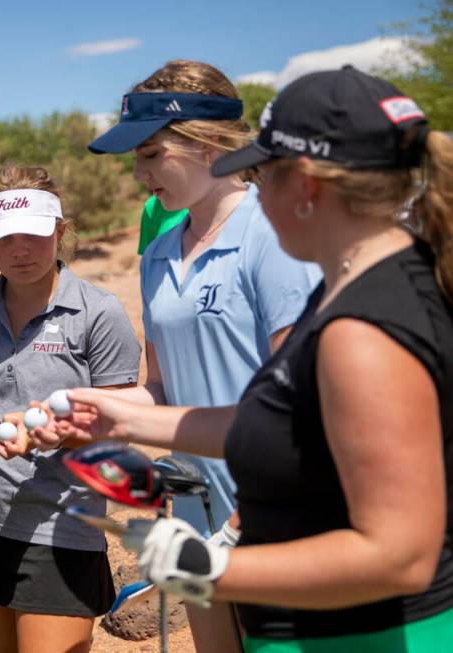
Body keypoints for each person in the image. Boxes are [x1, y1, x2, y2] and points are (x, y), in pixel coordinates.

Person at [50, 67, 453, 652]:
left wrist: (212, 567)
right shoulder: (365, 287)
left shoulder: (363, 328)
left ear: (306, 185)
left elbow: (401, 555)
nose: (253, 185)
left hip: (360, 630)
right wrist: (123, 420)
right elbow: (286, 424)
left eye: (261, 169)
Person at [82, 59, 320, 652]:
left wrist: (237, 533)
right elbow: (164, 389)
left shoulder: (275, 236)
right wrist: (88, 410)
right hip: (194, 508)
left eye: (151, 154)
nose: (138, 174)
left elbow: (303, 408)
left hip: (278, 516)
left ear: (209, 142)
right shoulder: (159, 254)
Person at [0, 165, 142, 653]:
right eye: (5, 237)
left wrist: (55, 433)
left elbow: (120, 428)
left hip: (64, 527)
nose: (20, 249)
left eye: (33, 234)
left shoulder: (99, 313)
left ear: (60, 231)